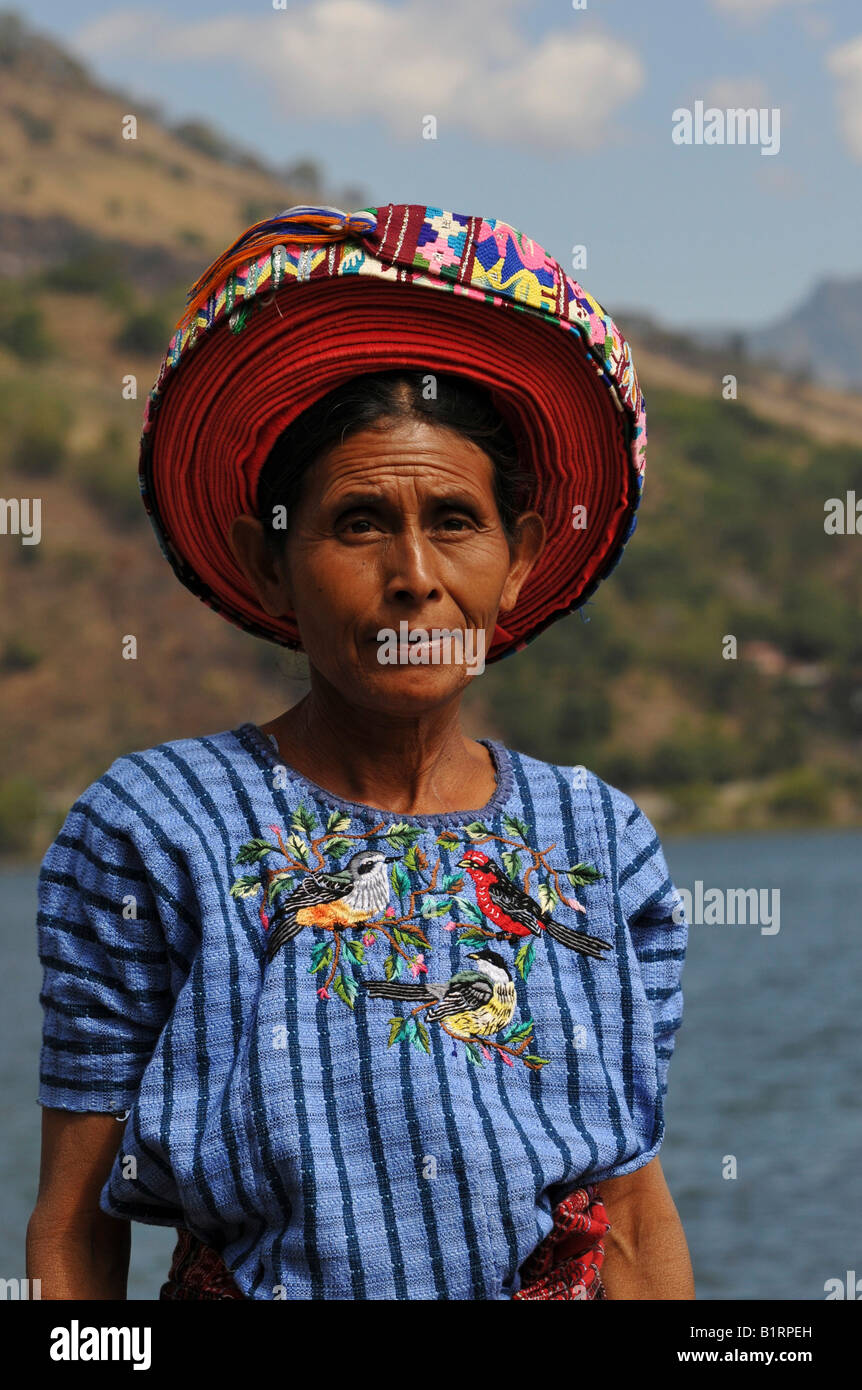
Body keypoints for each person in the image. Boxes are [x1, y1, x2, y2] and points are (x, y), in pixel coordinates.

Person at [26, 203, 694, 1300]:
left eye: (456, 520)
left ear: (519, 557)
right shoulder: (156, 826)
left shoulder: (599, 842)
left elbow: (627, 1211)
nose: (414, 573)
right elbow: (71, 1233)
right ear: (268, 561)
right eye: (356, 522)